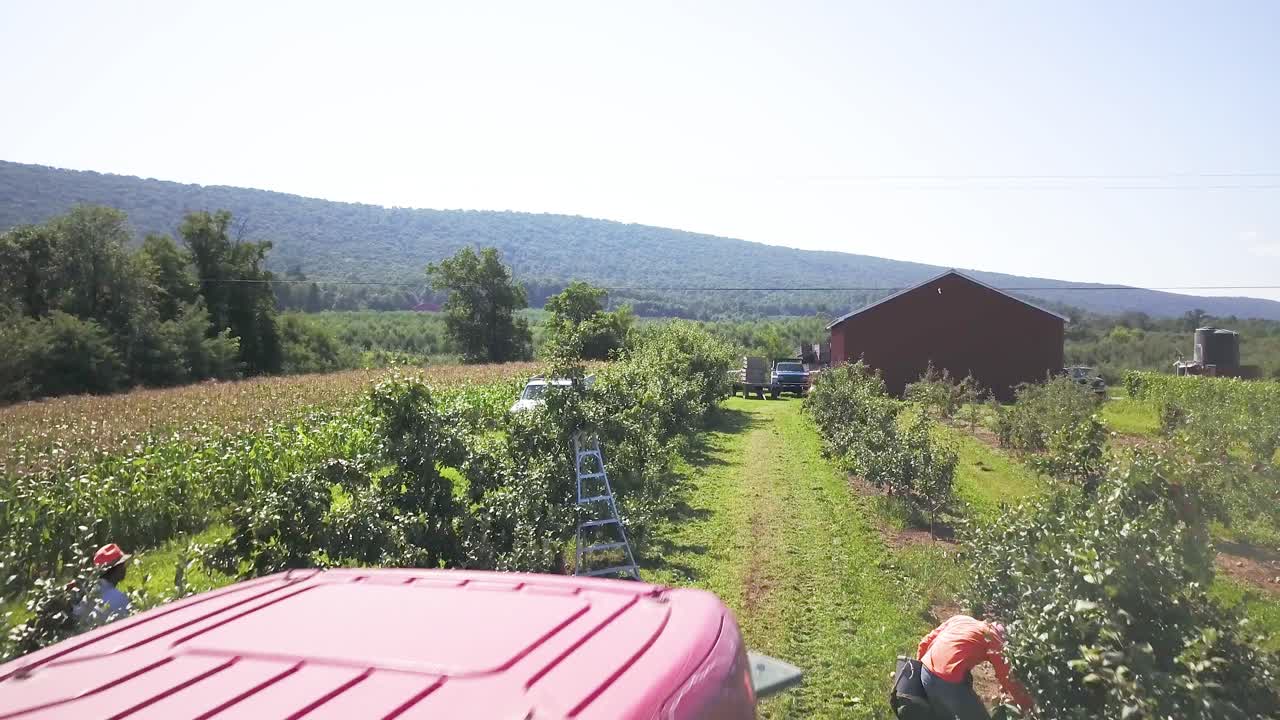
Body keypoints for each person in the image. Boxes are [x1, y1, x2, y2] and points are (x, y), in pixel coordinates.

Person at [916, 614, 1033, 720]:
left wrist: (918, 670)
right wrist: (1028, 706)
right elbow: (1007, 677)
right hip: (947, 682)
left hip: (925, 672)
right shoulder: (993, 637)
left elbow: (925, 642)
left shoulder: (960, 619)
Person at [72, 543, 132, 628]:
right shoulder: (119, 598)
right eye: (122, 565)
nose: (125, 567)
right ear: (115, 569)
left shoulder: (89, 593)